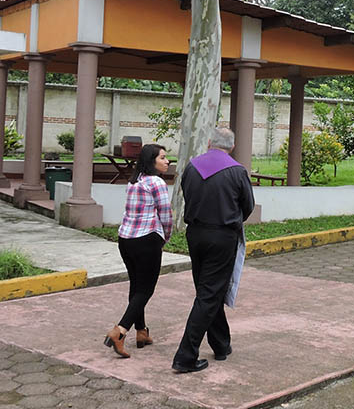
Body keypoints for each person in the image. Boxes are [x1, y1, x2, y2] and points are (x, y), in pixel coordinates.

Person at [171, 127, 255, 374]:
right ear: (232, 146)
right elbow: (247, 206)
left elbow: (186, 194)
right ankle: (185, 356)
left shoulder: (192, 166)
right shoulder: (237, 171)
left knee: (208, 290)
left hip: (195, 234)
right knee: (209, 293)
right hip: (222, 236)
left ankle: (221, 344)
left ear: (209, 143)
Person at [103, 144, 172, 359]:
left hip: (126, 239)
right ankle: (120, 331)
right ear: (152, 161)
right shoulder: (157, 182)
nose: (167, 161)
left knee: (136, 286)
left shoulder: (135, 181)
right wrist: (165, 237)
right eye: (163, 157)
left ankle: (142, 332)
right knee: (146, 289)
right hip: (147, 240)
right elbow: (166, 215)